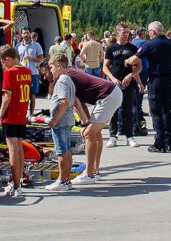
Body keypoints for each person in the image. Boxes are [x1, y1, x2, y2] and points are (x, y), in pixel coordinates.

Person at [127, 21, 171, 153]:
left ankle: (159, 142)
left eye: (149, 31)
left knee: (156, 111)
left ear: (153, 32)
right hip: (168, 79)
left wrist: (127, 61)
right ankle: (168, 141)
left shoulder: (149, 44)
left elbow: (134, 60)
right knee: (166, 111)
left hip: (155, 79)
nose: (149, 33)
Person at [66, 63, 123, 184]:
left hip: (108, 96)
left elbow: (75, 102)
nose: (45, 77)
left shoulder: (64, 78)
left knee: (89, 133)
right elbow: (80, 103)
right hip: (112, 93)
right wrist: (85, 122)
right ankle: (94, 171)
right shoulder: (70, 74)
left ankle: (89, 174)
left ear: (57, 66)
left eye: (48, 70)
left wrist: (84, 125)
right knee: (94, 133)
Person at [0, 45, 32, 198]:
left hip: (11, 115)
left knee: (12, 149)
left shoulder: (9, 73)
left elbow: (7, 97)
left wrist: (0, 114)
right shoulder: (27, 72)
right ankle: (19, 179)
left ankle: (16, 184)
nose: (3, 66)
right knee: (19, 148)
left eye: (3, 62)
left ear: (8, 59)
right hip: (21, 114)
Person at [103, 23, 142, 148]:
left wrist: (131, 75)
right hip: (114, 84)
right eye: (124, 32)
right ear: (117, 33)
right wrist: (112, 78)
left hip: (129, 84)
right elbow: (105, 66)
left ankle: (129, 136)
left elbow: (138, 66)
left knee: (128, 110)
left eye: (127, 32)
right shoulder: (111, 48)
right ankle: (113, 136)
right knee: (113, 110)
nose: (126, 34)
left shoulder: (132, 48)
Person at [44, 55, 77, 191]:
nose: (51, 70)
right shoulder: (68, 79)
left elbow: (64, 102)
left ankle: (62, 181)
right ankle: (66, 180)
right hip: (67, 119)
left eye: (52, 67)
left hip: (62, 121)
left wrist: (55, 120)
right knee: (67, 150)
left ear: (58, 65)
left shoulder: (62, 81)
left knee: (61, 151)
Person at [16, 28, 44, 116]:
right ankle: (21, 114)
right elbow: (16, 59)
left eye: (27, 33)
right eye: (24, 33)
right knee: (21, 96)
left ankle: (31, 115)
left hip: (33, 73)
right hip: (21, 74)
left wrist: (31, 58)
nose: (26, 35)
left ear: (30, 34)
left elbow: (41, 58)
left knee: (32, 95)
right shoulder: (18, 46)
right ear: (21, 35)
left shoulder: (36, 45)